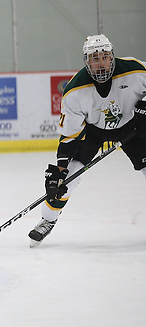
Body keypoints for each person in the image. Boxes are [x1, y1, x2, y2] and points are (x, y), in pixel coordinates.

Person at [28, 34, 146, 247]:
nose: (100, 63)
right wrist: (61, 169)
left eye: (104, 57)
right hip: (94, 132)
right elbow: (70, 136)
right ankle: (47, 221)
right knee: (66, 180)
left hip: (133, 127)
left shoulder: (135, 70)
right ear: (86, 61)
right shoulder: (75, 90)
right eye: (94, 58)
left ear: (112, 57)